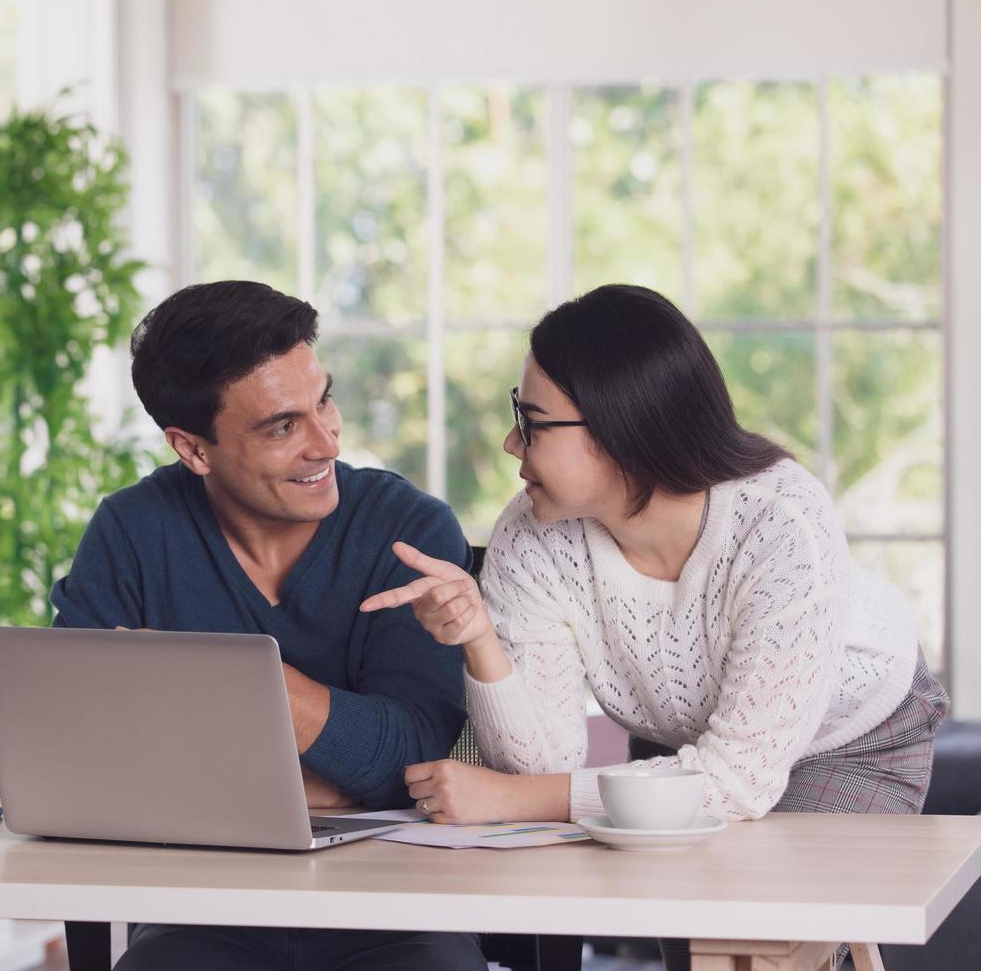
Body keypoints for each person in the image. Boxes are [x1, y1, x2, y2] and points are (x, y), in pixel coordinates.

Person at [363, 283, 949, 837]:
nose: (512, 443)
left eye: (533, 424)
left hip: (848, 734)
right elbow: (541, 765)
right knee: (692, 929)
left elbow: (737, 782)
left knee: (777, 927)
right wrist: (480, 639)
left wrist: (511, 800)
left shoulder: (780, 520)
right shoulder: (533, 533)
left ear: (624, 428)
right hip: (688, 749)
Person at [51, 280, 487, 970]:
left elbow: (412, 759)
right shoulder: (132, 533)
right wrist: (326, 775)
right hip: (203, 908)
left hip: (398, 904)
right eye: (283, 426)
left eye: (324, 402)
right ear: (193, 450)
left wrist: (242, 691)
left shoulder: (407, 528)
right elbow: (79, 765)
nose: (326, 444)